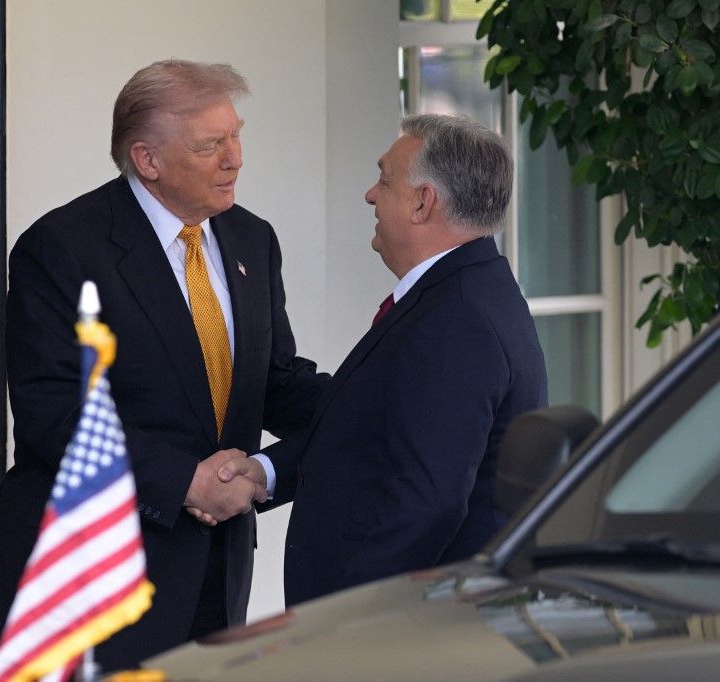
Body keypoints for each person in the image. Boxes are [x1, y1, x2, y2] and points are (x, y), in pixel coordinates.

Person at [0, 59, 328, 669]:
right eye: (211, 145)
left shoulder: (251, 239)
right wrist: (182, 480)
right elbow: (54, 412)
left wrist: (376, 394)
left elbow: (273, 384)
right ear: (147, 159)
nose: (234, 158)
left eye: (236, 135)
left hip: (216, 570)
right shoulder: (62, 247)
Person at [217, 113, 548, 606]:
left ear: (422, 202)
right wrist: (264, 472)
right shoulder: (462, 293)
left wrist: (347, 619)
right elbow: (372, 433)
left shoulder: (458, 319)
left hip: (401, 633)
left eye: (384, 180)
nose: (370, 195)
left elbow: (428, 502)